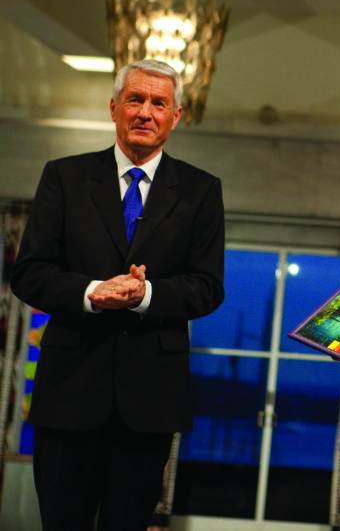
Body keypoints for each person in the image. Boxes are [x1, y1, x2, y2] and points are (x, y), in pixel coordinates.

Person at [11, 59, 225, 531]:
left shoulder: (201, 191)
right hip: (69, 394)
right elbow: (28, 274)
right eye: (135, 99)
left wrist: (146, 295)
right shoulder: (63, 178)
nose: (145, 112)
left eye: (158, 103)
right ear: (113, 108)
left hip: (149, 403)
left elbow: (207, 287)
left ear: (177, 116)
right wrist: (92, 292)